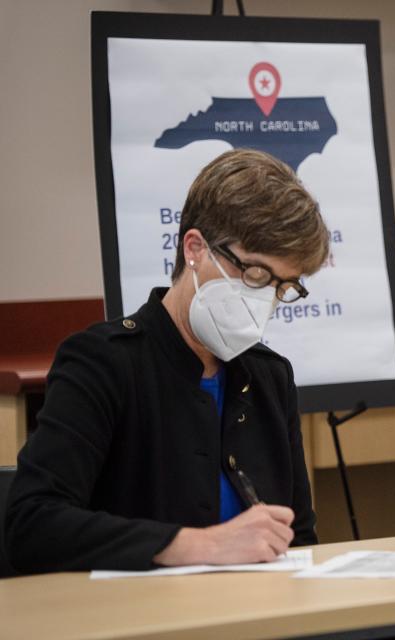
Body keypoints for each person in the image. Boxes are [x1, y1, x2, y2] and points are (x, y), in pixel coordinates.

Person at [5, 149, 328, 573]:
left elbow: (298, 537)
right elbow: (32, 524)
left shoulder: (268, 376)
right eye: (255, 276)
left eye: (282, 287)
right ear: (194, 248)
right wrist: (198, 545)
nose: (265, 299)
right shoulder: (104, 362)